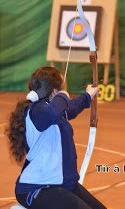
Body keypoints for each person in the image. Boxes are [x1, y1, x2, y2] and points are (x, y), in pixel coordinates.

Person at [6, 66, 107, 209]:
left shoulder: (53, 110)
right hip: (37, 187)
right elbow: (51, 113)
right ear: (54, 91)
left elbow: (70, 108)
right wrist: (64, 94)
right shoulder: (36, 110)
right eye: (61, 87)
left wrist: (88, 95)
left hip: (62, 183)